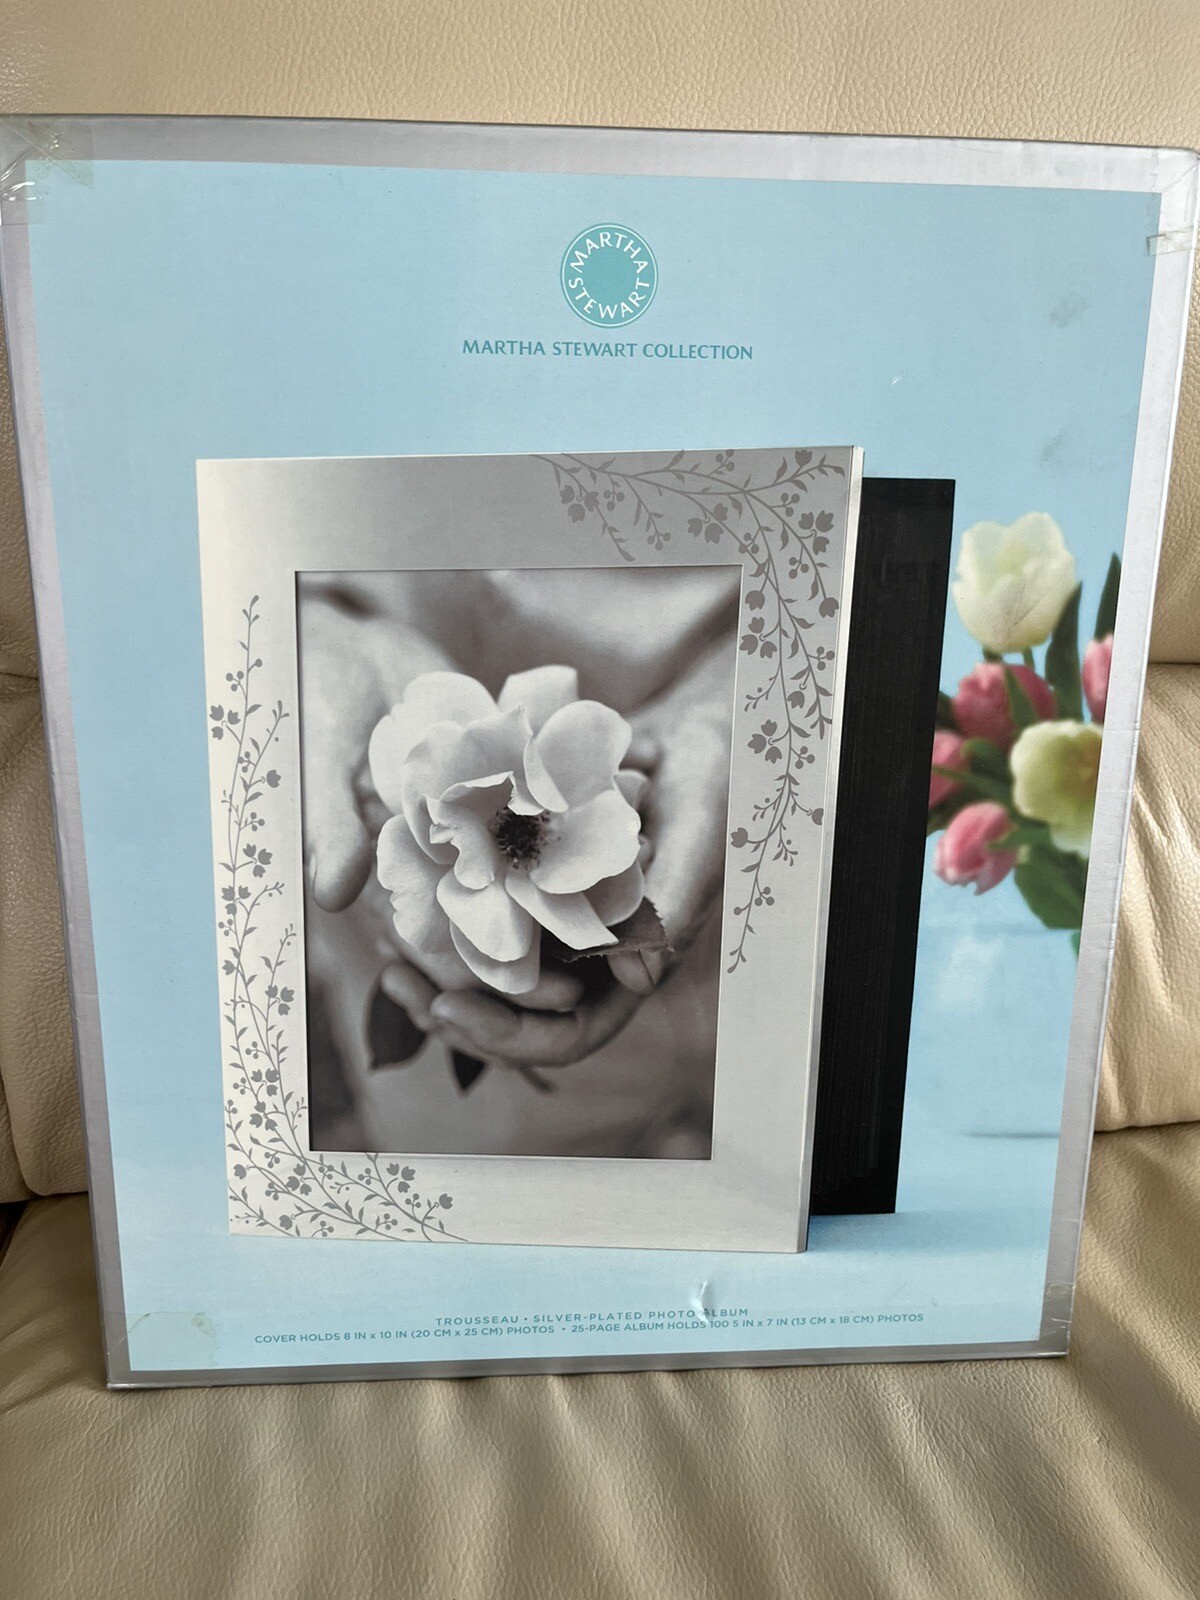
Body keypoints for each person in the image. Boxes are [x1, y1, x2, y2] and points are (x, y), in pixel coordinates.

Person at [300, 564, 739, 1157]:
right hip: (441, 976)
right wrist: (306, 617)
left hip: (750, 853)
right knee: (483, 1171)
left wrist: (737, 695)